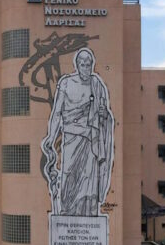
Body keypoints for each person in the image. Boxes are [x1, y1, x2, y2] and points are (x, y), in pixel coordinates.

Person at [42, 48, 114, 216]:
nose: (86, 69)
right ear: (76, 65)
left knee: (88, 179)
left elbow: (105, 115)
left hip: (90, 141)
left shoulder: (97, 84)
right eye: (83, 65)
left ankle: (88, 212)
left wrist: (104, 114)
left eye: (89, 65)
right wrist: (51, 136)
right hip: (71, 138)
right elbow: (57, 113)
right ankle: (67, 211)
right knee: (69, 176)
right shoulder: (66, 83)